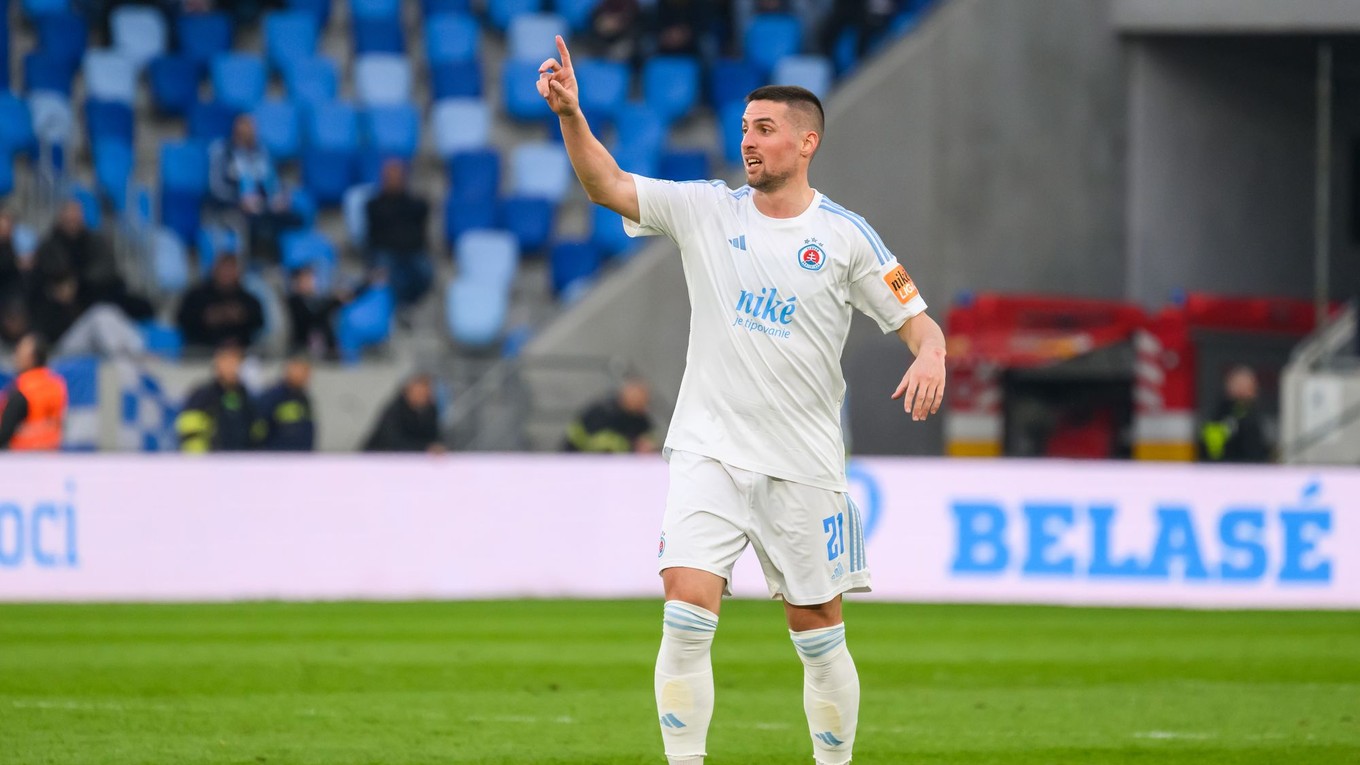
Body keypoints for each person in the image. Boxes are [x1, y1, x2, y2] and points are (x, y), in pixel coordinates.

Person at [537, 37, 947, 765]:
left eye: (764, 129)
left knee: (818, 632)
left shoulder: (845, 237)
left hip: (803, 463)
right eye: (744, 128)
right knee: (685, 610)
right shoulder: (707, 210)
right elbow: (608, 185)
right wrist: (571, 114)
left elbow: (917, 319)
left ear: (806, 142)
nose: (748, 141)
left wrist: (933, 353)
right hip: (709, 450)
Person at [208, 114, 301, 262]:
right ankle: (252, 263)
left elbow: (275, 180)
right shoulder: (223, 152)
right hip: (234, 207)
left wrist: (281, 197)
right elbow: (216, 188)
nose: (249, 132)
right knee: (254, 223)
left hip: (265, 206)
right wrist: (239, 201)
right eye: (244, 128)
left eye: (251, 128)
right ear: (235, 130)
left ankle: (282, 263)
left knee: (294, 218)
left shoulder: (262, 152)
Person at [364, 158, 433, 315]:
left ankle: (409, 303)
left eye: (397, 176)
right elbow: (375, 235)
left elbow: (421, 224)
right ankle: (399, 308)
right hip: (385, 250)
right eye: (390, 176)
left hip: (411, 250)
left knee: (425, 271)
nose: (394, 180)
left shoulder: (414, 203)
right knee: (386, 270)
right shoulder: (373, 205)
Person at [175, 344, 264, 453]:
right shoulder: (203, 395)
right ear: (218, 363)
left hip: (241, 458)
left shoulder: (245, 395)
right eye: (227, 362)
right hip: (212, 458)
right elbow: (190, 428)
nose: (231, 367)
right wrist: (198, 458)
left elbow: (256, 430)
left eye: (235, 361)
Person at [177, 254, 265, 351]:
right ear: (215, 270)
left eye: (231, 269)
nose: (227, 273)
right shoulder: (196, 296)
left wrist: (242, 315)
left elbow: (259, 322)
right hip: (203, 350)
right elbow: (183, 320)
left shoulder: (248, 300)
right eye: (224, 269)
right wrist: (207, 317)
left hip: (240, 350)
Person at [0, 333, 67, 451]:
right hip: (52, 451)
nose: (15, 357)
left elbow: (4, 434)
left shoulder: (21, 390)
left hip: (21, 454)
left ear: (31, 358)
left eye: (19, 352)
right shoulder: (57, 385)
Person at [563, 377, 657, 453]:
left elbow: (650, 440)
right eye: (639, 399)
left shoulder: (640, 418)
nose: (643, 405)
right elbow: (579, 440)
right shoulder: (601, 413)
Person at [1200, 365, 1272, 463]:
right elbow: (1212, 448)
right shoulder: (1220, 415)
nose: (1251, 391)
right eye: (1241, 385)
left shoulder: (1254, 413)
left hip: (1251, 467)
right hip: (1226, 467)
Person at [362, 373, 443, 453]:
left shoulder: (430, 411)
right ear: (408, 391)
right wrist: (424, 448)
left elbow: (433, 437)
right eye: (419, 391)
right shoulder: (395, 410)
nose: (423, 395)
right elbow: (392, 442)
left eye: (426, 392)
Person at [258, 355, 316, 451]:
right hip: (275, 456)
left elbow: (308, 428)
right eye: (301, 370)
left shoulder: (303, 398)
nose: (305, 375)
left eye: (307, 371)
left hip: (301, 456)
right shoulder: (273, 396)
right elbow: (260, 427)